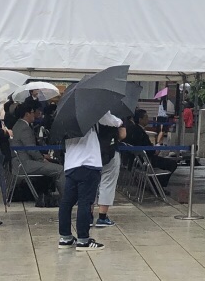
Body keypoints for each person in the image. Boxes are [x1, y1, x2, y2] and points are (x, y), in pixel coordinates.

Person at [58, 113, 109, 249]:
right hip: (88, 165)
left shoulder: (65, 119)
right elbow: (109, 119)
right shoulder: (91, 112)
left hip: (71, 166)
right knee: (85, 202)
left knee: (66, 202)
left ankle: (65, 238)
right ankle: (83, 240)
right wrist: (120, 122)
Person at [10, 99, 63, 201]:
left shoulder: (18, 125)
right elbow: (31, 149)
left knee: (52, 165)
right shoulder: (25, 128)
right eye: (33, 112)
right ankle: (66, 198)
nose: (35, 115)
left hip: (20, 161)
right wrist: (42, 159)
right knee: (60, 169)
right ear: (27, 114)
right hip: (25, 164)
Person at [125, 108, 177, 188]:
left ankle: (155, 184)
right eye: (146, 117)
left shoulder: (133, 129)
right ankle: (158, 186)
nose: (148, 119)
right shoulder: (139, 132)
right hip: (145, 160)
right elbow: (149, 151)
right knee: (172, 164)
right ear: (140, 119)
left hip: (136, 160)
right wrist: (157, 148)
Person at [94, 112, 125, 227]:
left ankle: (87, 216)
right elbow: (123, 135)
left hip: (92, 153)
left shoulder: (86, 113)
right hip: (110, 152)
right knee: (107, 183)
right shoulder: (116, 112)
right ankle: (102, 217)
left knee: (91, 184)